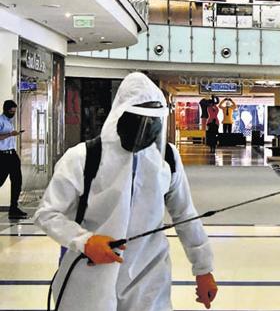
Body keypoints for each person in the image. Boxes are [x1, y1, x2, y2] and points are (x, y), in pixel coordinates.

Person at [34, 73, 218, 310]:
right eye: (138, 122)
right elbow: (47, 214)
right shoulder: (83, 158)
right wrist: (85, 241)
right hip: (90, 277)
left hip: (149, 280)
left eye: (150, 123)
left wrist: (203, 270)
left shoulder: (167, 159)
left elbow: (185, 215)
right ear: (120, 116)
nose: (144, 131)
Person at [0, 100, 27, 219]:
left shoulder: (9, 121)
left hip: (12, 154)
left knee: (17, 181)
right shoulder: (1, 120)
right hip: (3, 155)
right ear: (6, 110)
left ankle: (14, 208)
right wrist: (10, 134)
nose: (13, 113)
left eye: (14, 111)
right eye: (11, 111)